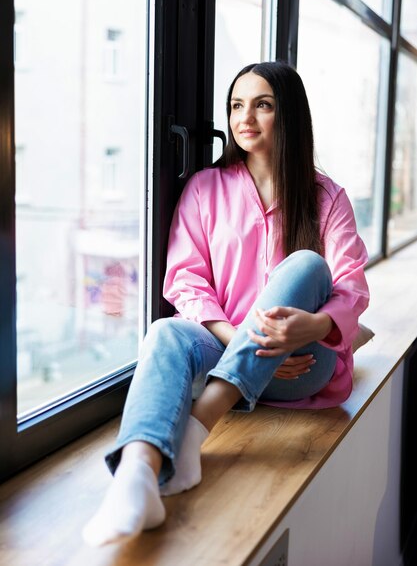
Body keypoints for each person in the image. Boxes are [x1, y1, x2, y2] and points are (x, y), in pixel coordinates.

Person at [82, 61, 369, 547]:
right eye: (237, 105)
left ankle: (194, 434)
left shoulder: (327, 197)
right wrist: (246, 344)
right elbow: (186, 280)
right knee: (165, 332)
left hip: (302, 365)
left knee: (307, 266)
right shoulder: (205, 188)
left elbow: (352, 288)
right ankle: (138, 474)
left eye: (263, 105)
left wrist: (312, 328)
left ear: (290, 115)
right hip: (224, 350)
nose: (245, 117)